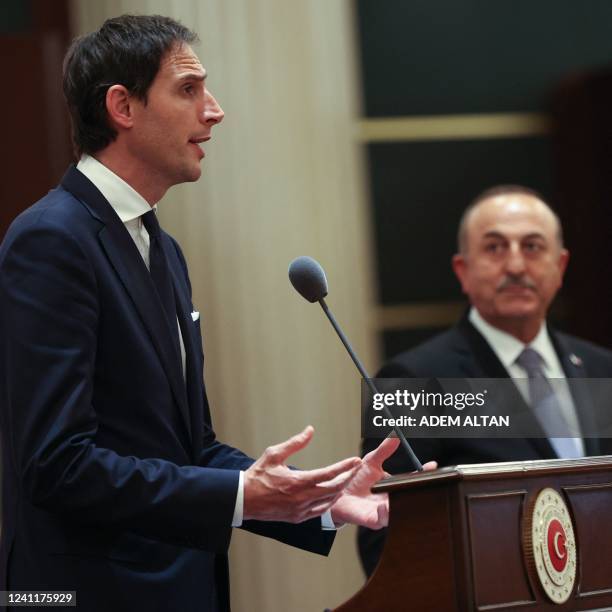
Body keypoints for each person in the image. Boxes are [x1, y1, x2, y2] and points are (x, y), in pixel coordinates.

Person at [0, 15, 409, 611]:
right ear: (122, 106)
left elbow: (191, 448)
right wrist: (244, 494)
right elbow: (58, 465)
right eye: (188, 89)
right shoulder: (51, 239)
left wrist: (313, 498)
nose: (213, 111)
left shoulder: (161, 249)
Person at [358, 184, 612, 576]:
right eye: (495, 248)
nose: (515, 266)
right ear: (463, 269)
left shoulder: (600, 369)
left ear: (560, 267)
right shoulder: (411, 381)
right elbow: (387, 542)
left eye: (532, 247)